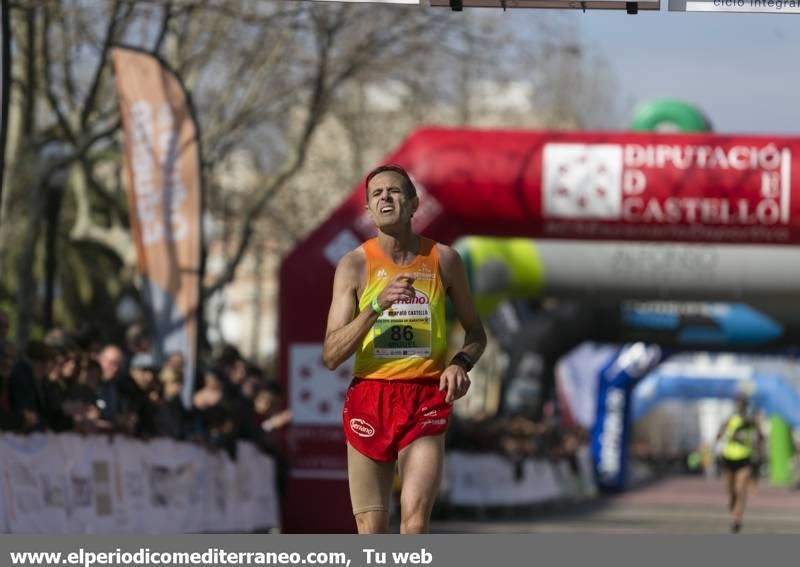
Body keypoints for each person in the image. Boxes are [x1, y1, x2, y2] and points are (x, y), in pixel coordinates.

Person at [322, 164, 486, 534]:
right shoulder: (353, 266)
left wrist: (461, 362)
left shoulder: (444, 259)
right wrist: (376, 307)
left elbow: (476, 332)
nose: (385, 198)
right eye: (377, 194)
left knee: (414, 524)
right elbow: (332, 354)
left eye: (394, 191)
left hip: (425, 397)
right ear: (368, 210)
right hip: (370, 397)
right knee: (372, 528)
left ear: (413, 205)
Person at [716, 393, 764, 533]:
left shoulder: (751, 421)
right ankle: (732, 499)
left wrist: (757, 445)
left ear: (745, 405)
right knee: (730, 490)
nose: (740, 406)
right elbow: (719, 434)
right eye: (738, 403)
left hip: (745, 458)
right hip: (729, 458)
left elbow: (761, 437)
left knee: (740, 489)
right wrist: (722, 435)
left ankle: (737, 520)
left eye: (743, 403)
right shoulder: (730, 419)